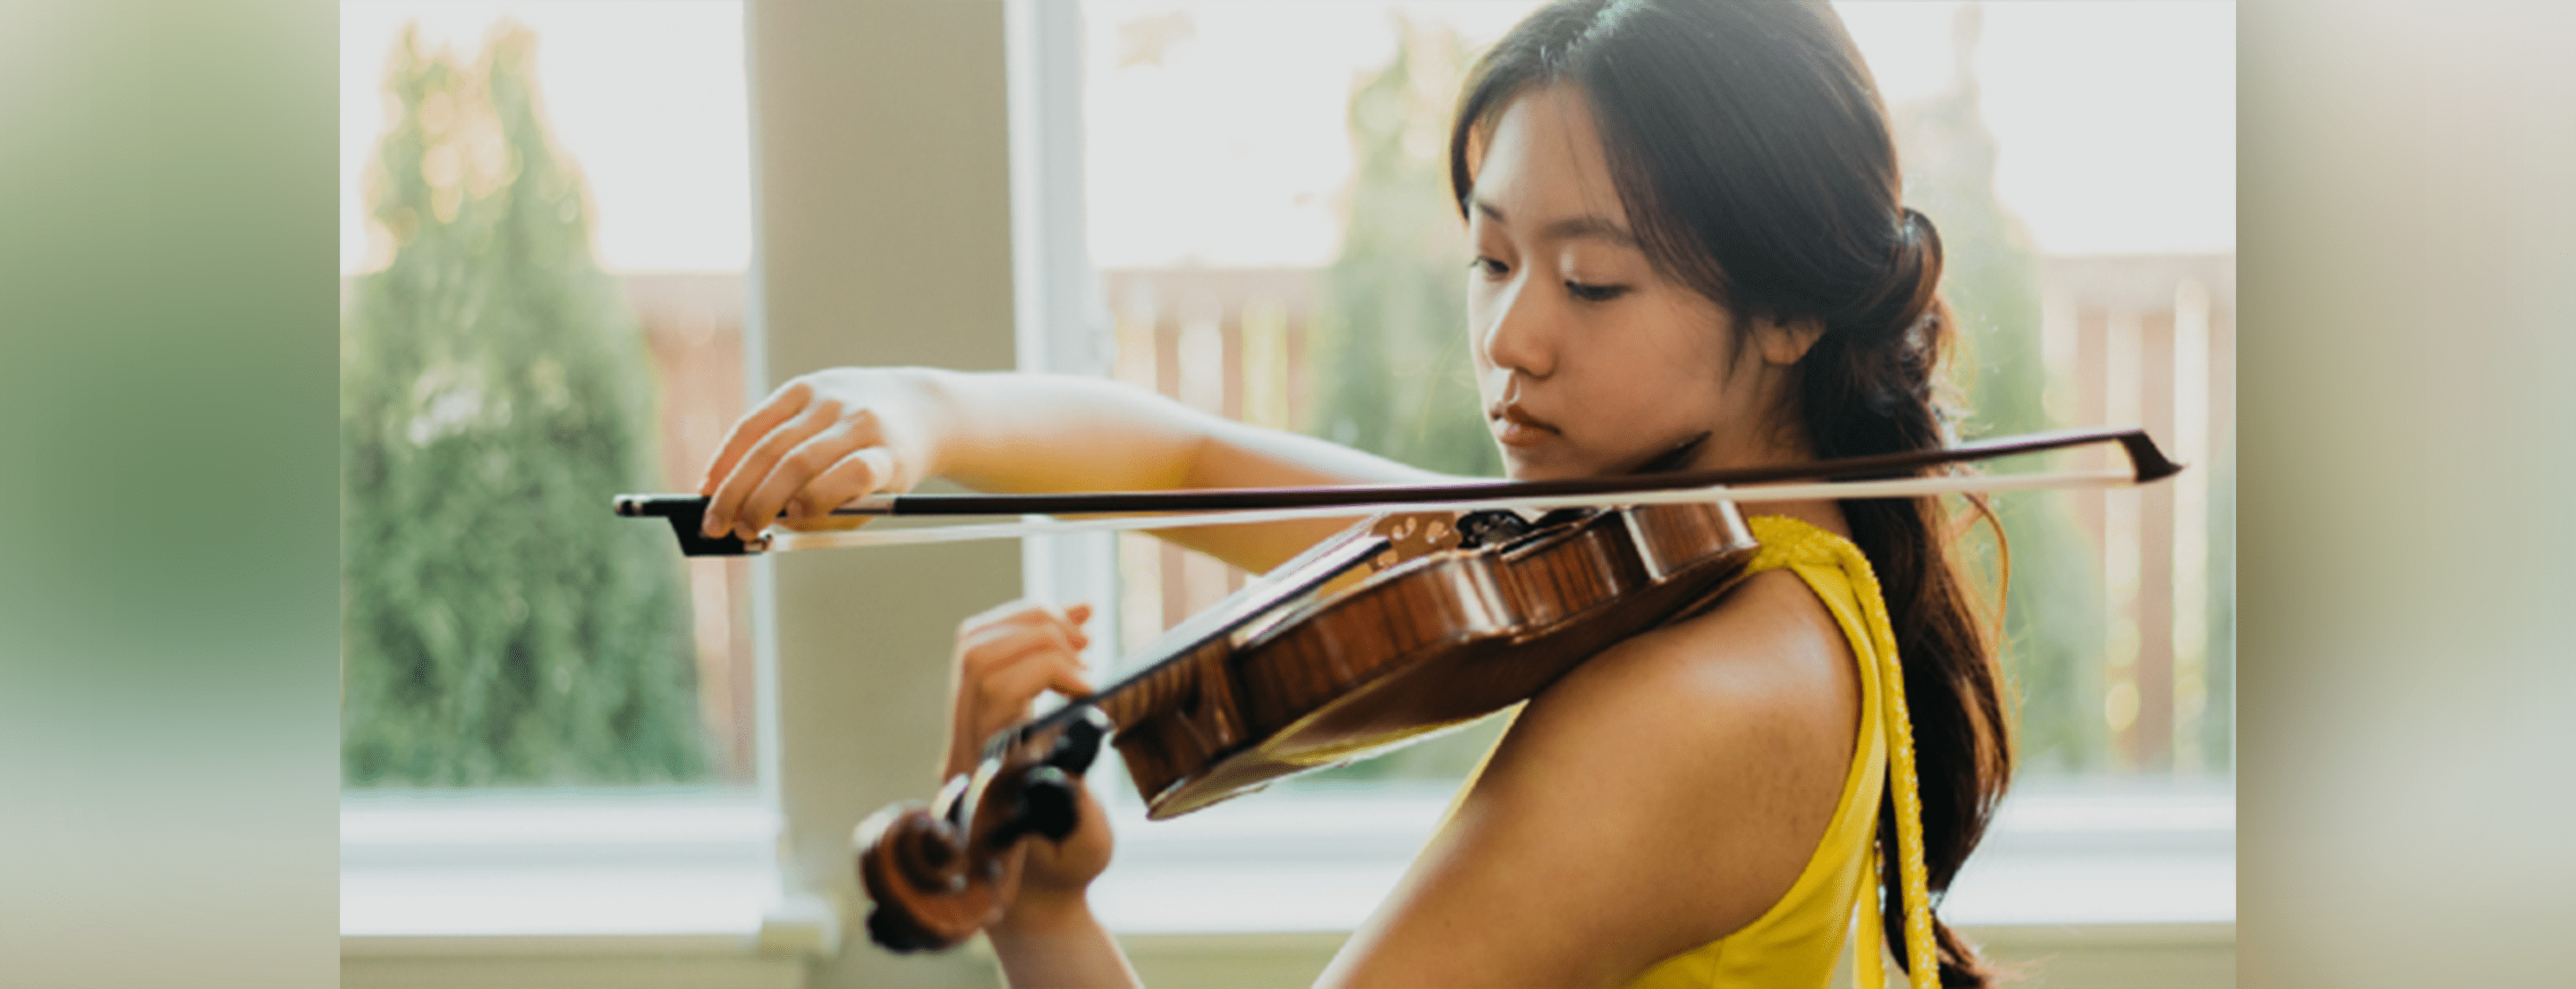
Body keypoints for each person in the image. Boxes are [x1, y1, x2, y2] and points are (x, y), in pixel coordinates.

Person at [695, 2, 2008, 986]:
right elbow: (1190, 460)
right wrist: (922, 410)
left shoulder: (1700, 699)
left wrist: (1045, 925)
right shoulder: (1711, 571)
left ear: (1788, 311)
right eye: (1492, 259)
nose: (1511, 339)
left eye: (1592, 281)